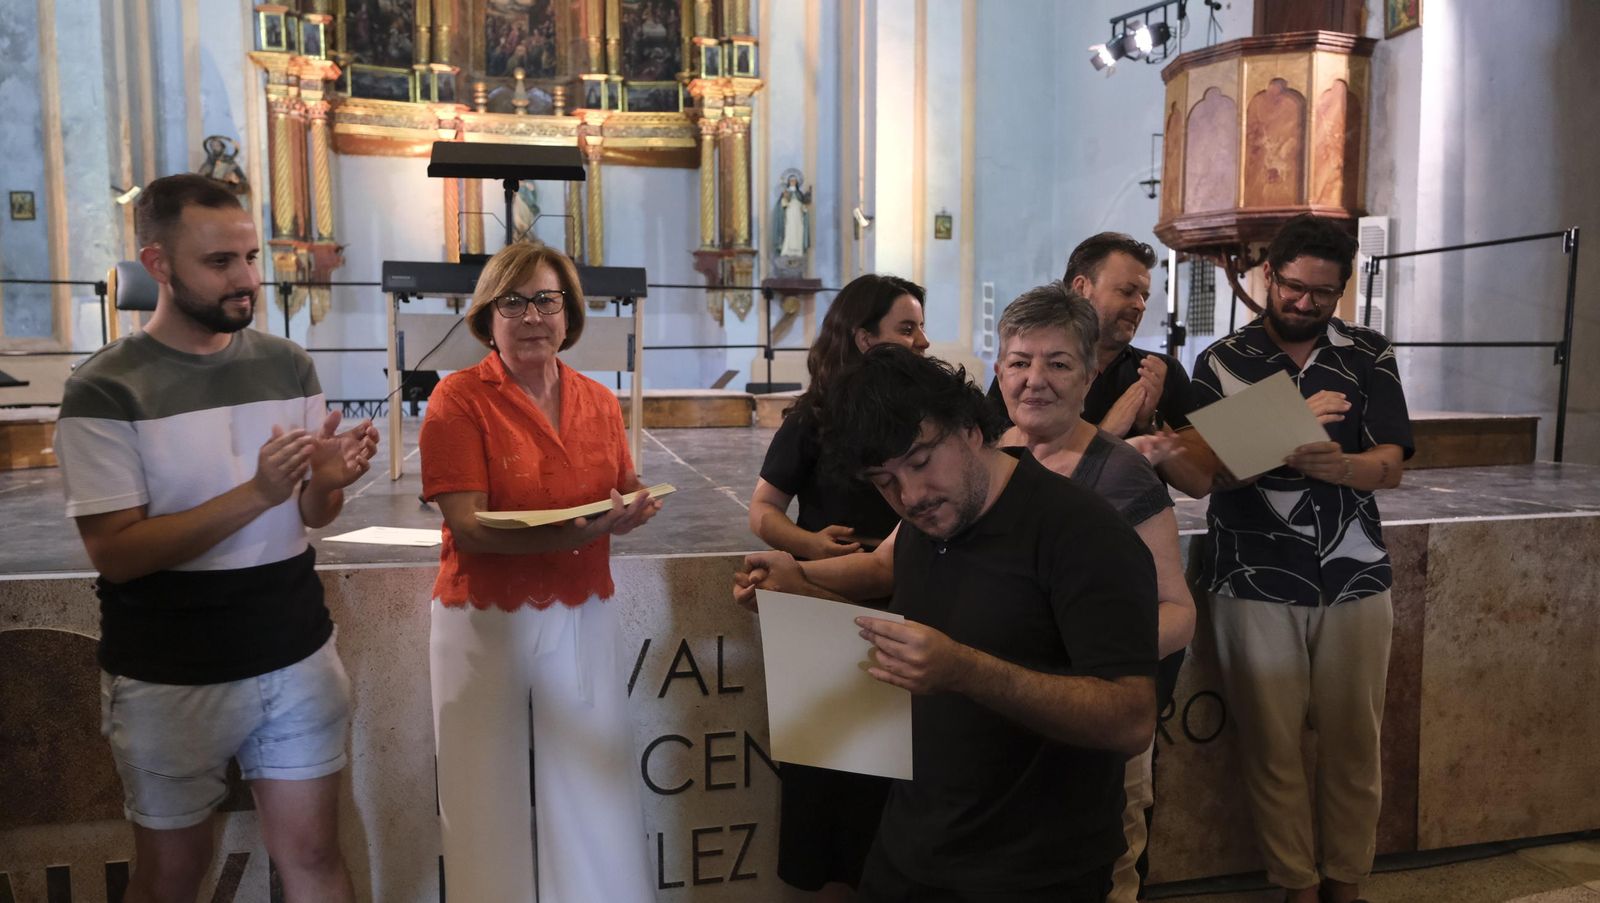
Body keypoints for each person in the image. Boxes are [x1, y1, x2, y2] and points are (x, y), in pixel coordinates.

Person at [55, 173, 377, 903]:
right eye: (220, 262)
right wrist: (256, 492)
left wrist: (328, 481)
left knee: (314, 855)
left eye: (250, 257)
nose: (246, 280)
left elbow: (311, 514)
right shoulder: (105, 388)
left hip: (295, 652)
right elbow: (118, 553)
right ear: (158, 263)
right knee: (172, 874)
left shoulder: (287, 363)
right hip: (170, 671)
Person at [736, 346, 1158, 902]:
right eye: (884, 480)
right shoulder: (924, 525)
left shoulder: (1082, 533)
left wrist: (964, 670)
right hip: (909, 847)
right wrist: (800, 590)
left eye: (920, 461)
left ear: (971, 429)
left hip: (1033, 870)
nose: (910, 496)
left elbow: (1130, 719)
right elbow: (920, 637)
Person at [419, 241, 663, 903]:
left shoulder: (598, 399)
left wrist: (633, 507)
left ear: (569, 312)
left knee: (595, 782)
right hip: (482, 613)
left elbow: (622, 485)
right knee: (480, 792)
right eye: (514, 302)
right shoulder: (457, 398)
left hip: (582, 603)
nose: (532, 316)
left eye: (546, 300)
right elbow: (468, 525)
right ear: (488, 316)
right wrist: (577, 531)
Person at [1190, 215, 1412, 903]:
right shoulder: (1222, 361)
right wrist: (1286, 428)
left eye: (1322, 292)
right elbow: (1204, 472)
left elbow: (1391, 461)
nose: (1304, 302)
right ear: (1268, 276)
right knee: (1271, 746)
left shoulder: (1367, 353)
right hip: (1251, 573)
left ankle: (1346, 885)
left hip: (1355, 573)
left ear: (1342, 289)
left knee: (1354, 744)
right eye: (1292, 286)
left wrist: (1345, 465)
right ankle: (1297, 886)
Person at [992, 284, 1196, 903]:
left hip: (1096, 717)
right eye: (1020, 362)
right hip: (1007, 720)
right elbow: (894, 561)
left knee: (1104, 872)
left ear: (1088, 377)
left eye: (1057, 364)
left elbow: (1178, 612)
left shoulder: (1119, 471)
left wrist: (1082, 658)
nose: (1035, 380)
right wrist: (800, 575)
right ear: (998, 372)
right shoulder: (988, 458)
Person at [748, 273, 928, 900]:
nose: (922, 341)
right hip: (823, 609)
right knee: (827, 798)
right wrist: (811, 546)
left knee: (893, 801)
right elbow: (763, 511)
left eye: (921, 327)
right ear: (863, 338)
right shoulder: (815, 417)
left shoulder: (923, 418)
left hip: (904, 606)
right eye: (907, 328)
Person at [985, 232, 1212, 498]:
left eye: (1144, 296)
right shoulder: (1023, 377)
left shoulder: (1159, 372)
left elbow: (1200, 483)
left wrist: (1150, 423)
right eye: (1127, 291)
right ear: (1082, 287)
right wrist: (1106, 434)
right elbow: (1000, 479)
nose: (1140, 305)